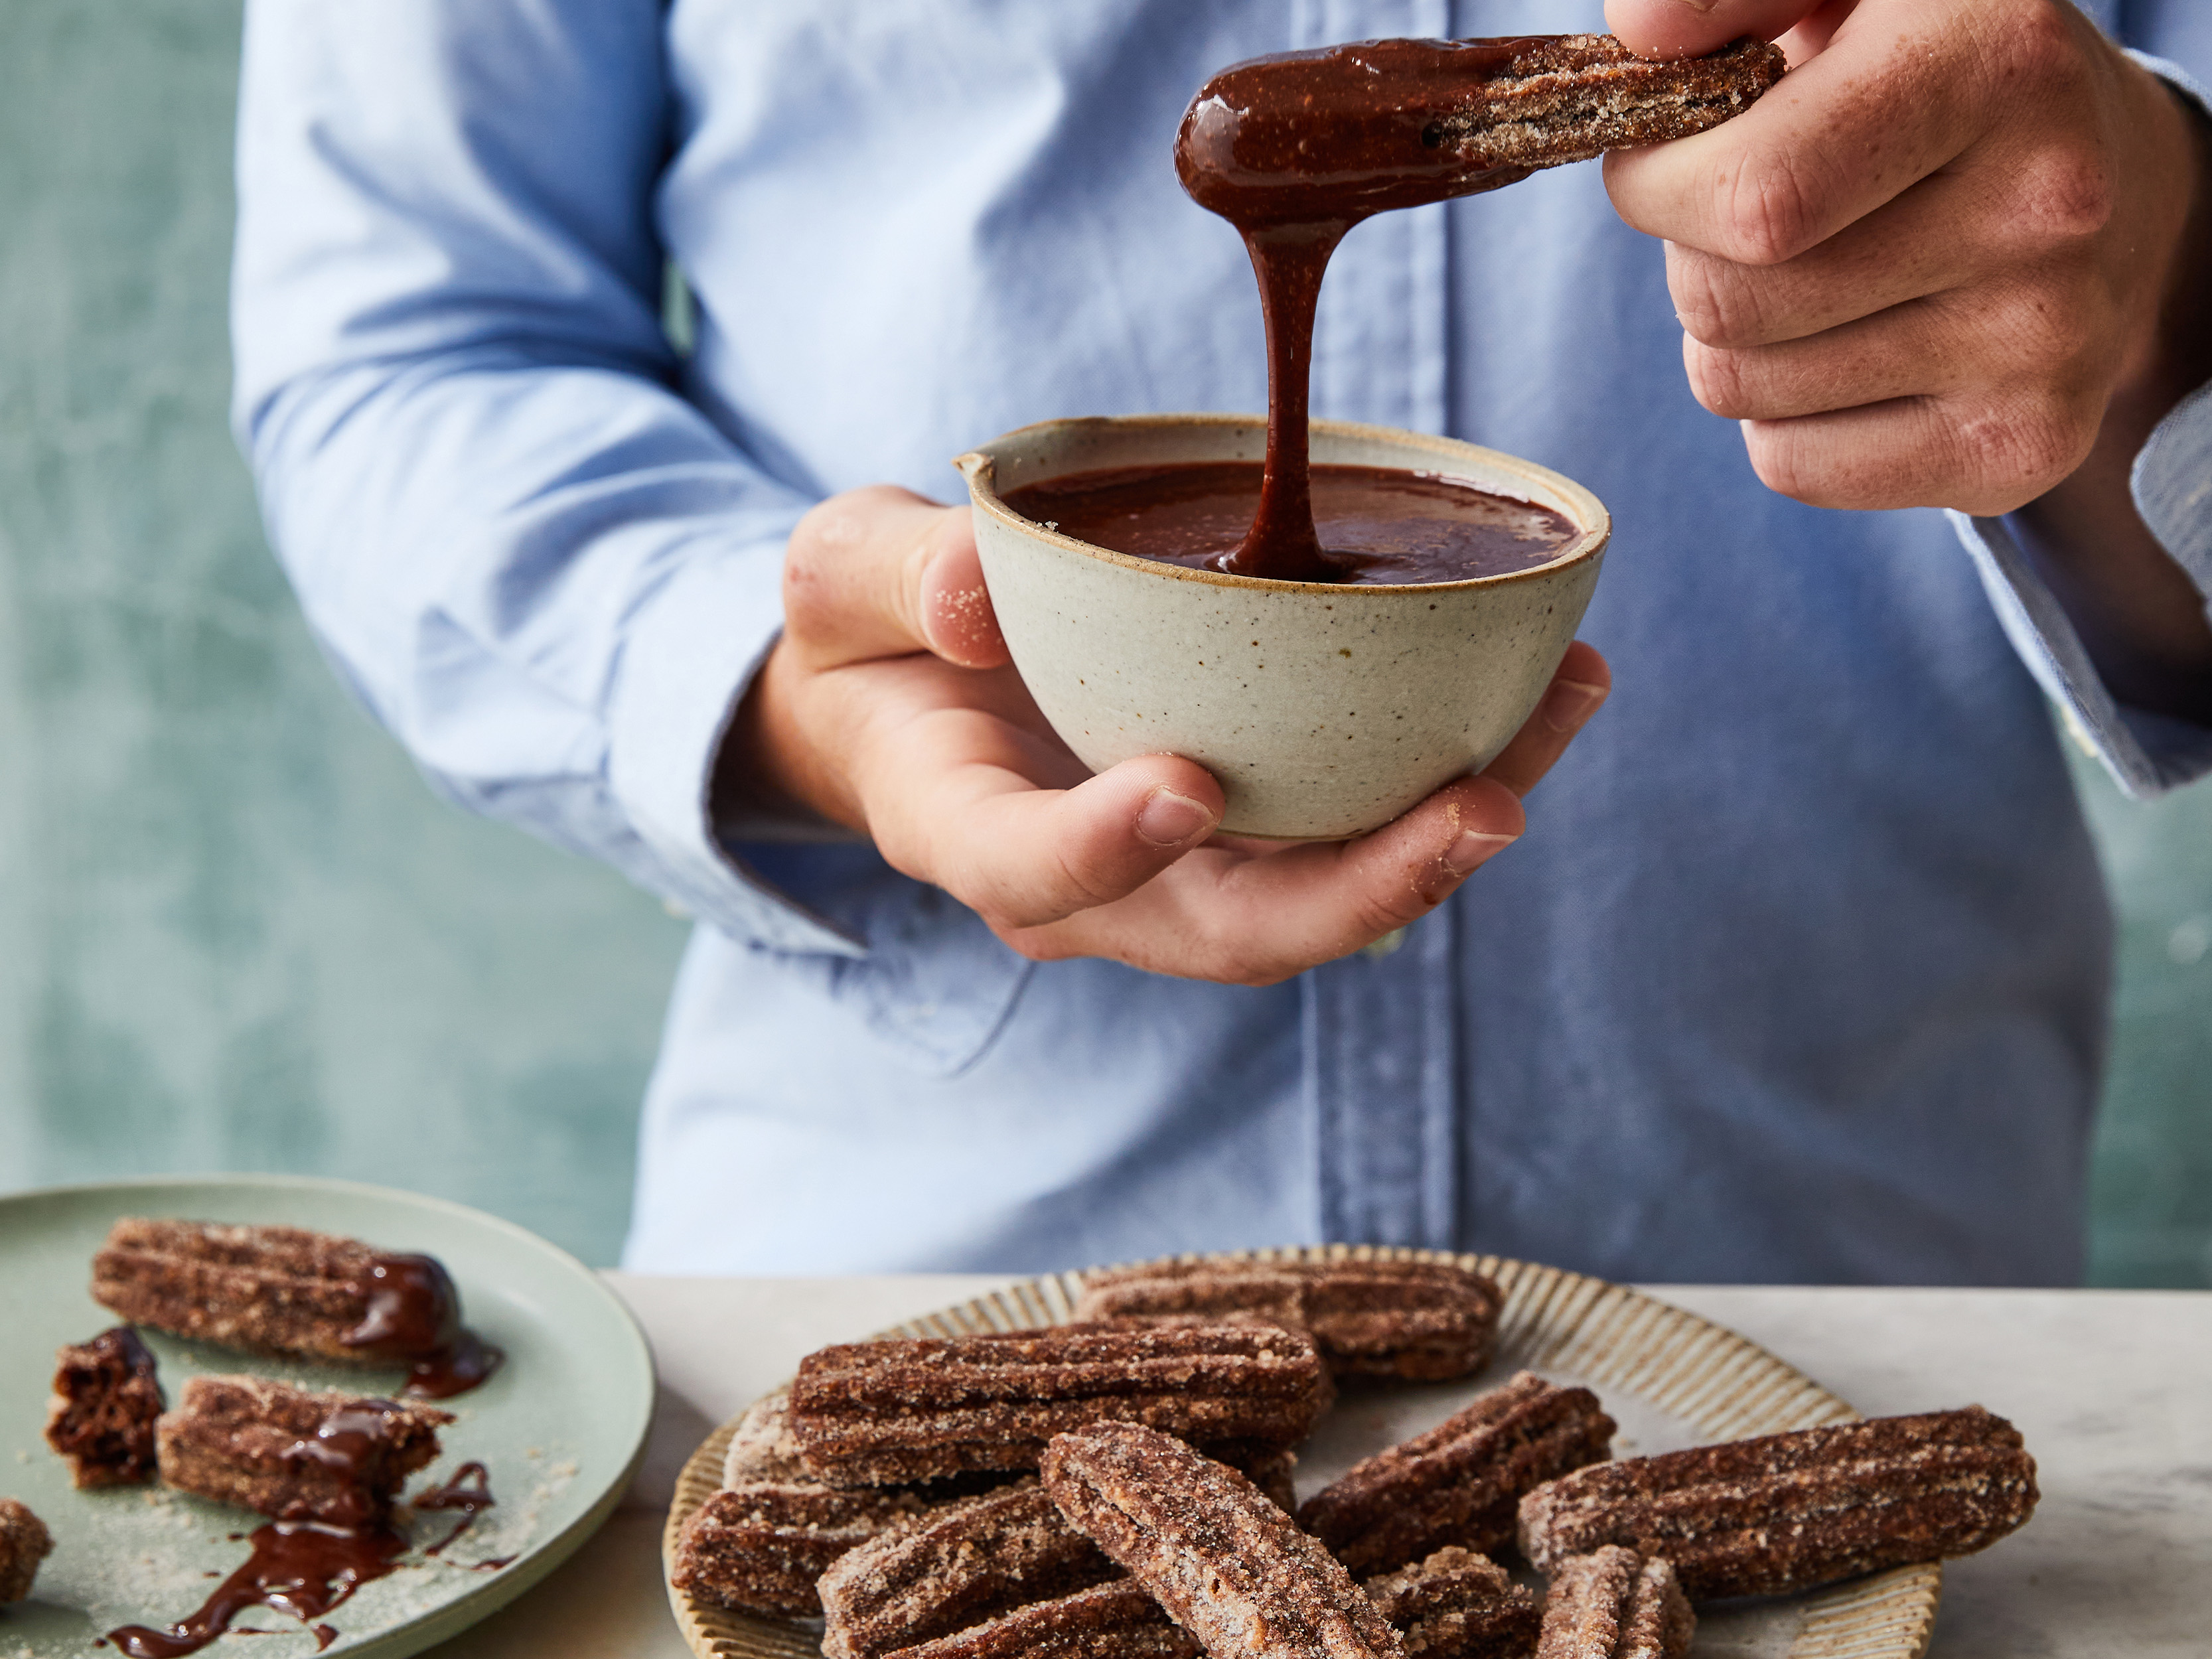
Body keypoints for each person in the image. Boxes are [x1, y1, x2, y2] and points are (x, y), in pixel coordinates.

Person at [232, 0, 2211, 1279]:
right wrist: (801, 692)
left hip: (1838, 1271)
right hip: (915, 1274)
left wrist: (2174, 279)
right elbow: (410, 338)